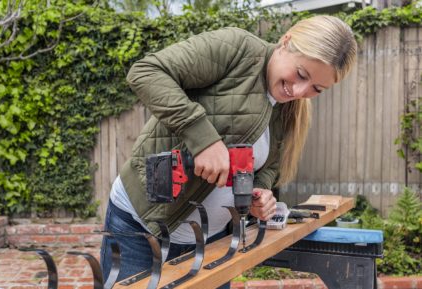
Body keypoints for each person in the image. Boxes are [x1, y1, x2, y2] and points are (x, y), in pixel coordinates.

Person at [100, 15, 357, 288]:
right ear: (286, 42)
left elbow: (267, 165)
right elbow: (146, 72)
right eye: (301, 74)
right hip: (141, 228)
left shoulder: (287, 108)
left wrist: (261, 193)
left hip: (210, 241)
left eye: (316, 88)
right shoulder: (237, 49)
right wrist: (203, 139)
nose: (299, 91)